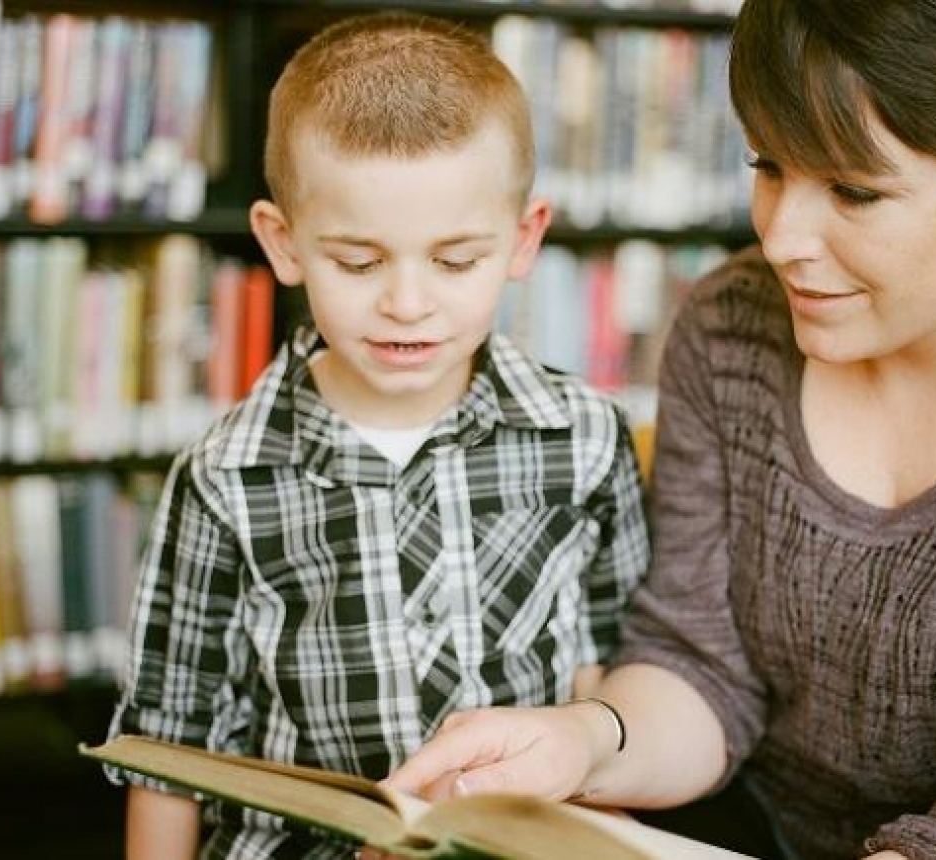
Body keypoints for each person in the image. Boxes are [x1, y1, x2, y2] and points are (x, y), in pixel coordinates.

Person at [385, 1, 936, 858]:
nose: (782, 238)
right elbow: (702, 672)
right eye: (769, 166)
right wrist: (581, 742)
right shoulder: (732, 326)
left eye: (853, 190)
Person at [103, 13, 650, 860]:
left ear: (523, 238)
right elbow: (168, 743)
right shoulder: (225, 476)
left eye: (455, 260)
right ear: (283, 245)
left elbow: (607, 676)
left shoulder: (582, 436)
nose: (406, 303)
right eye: (359, 263)